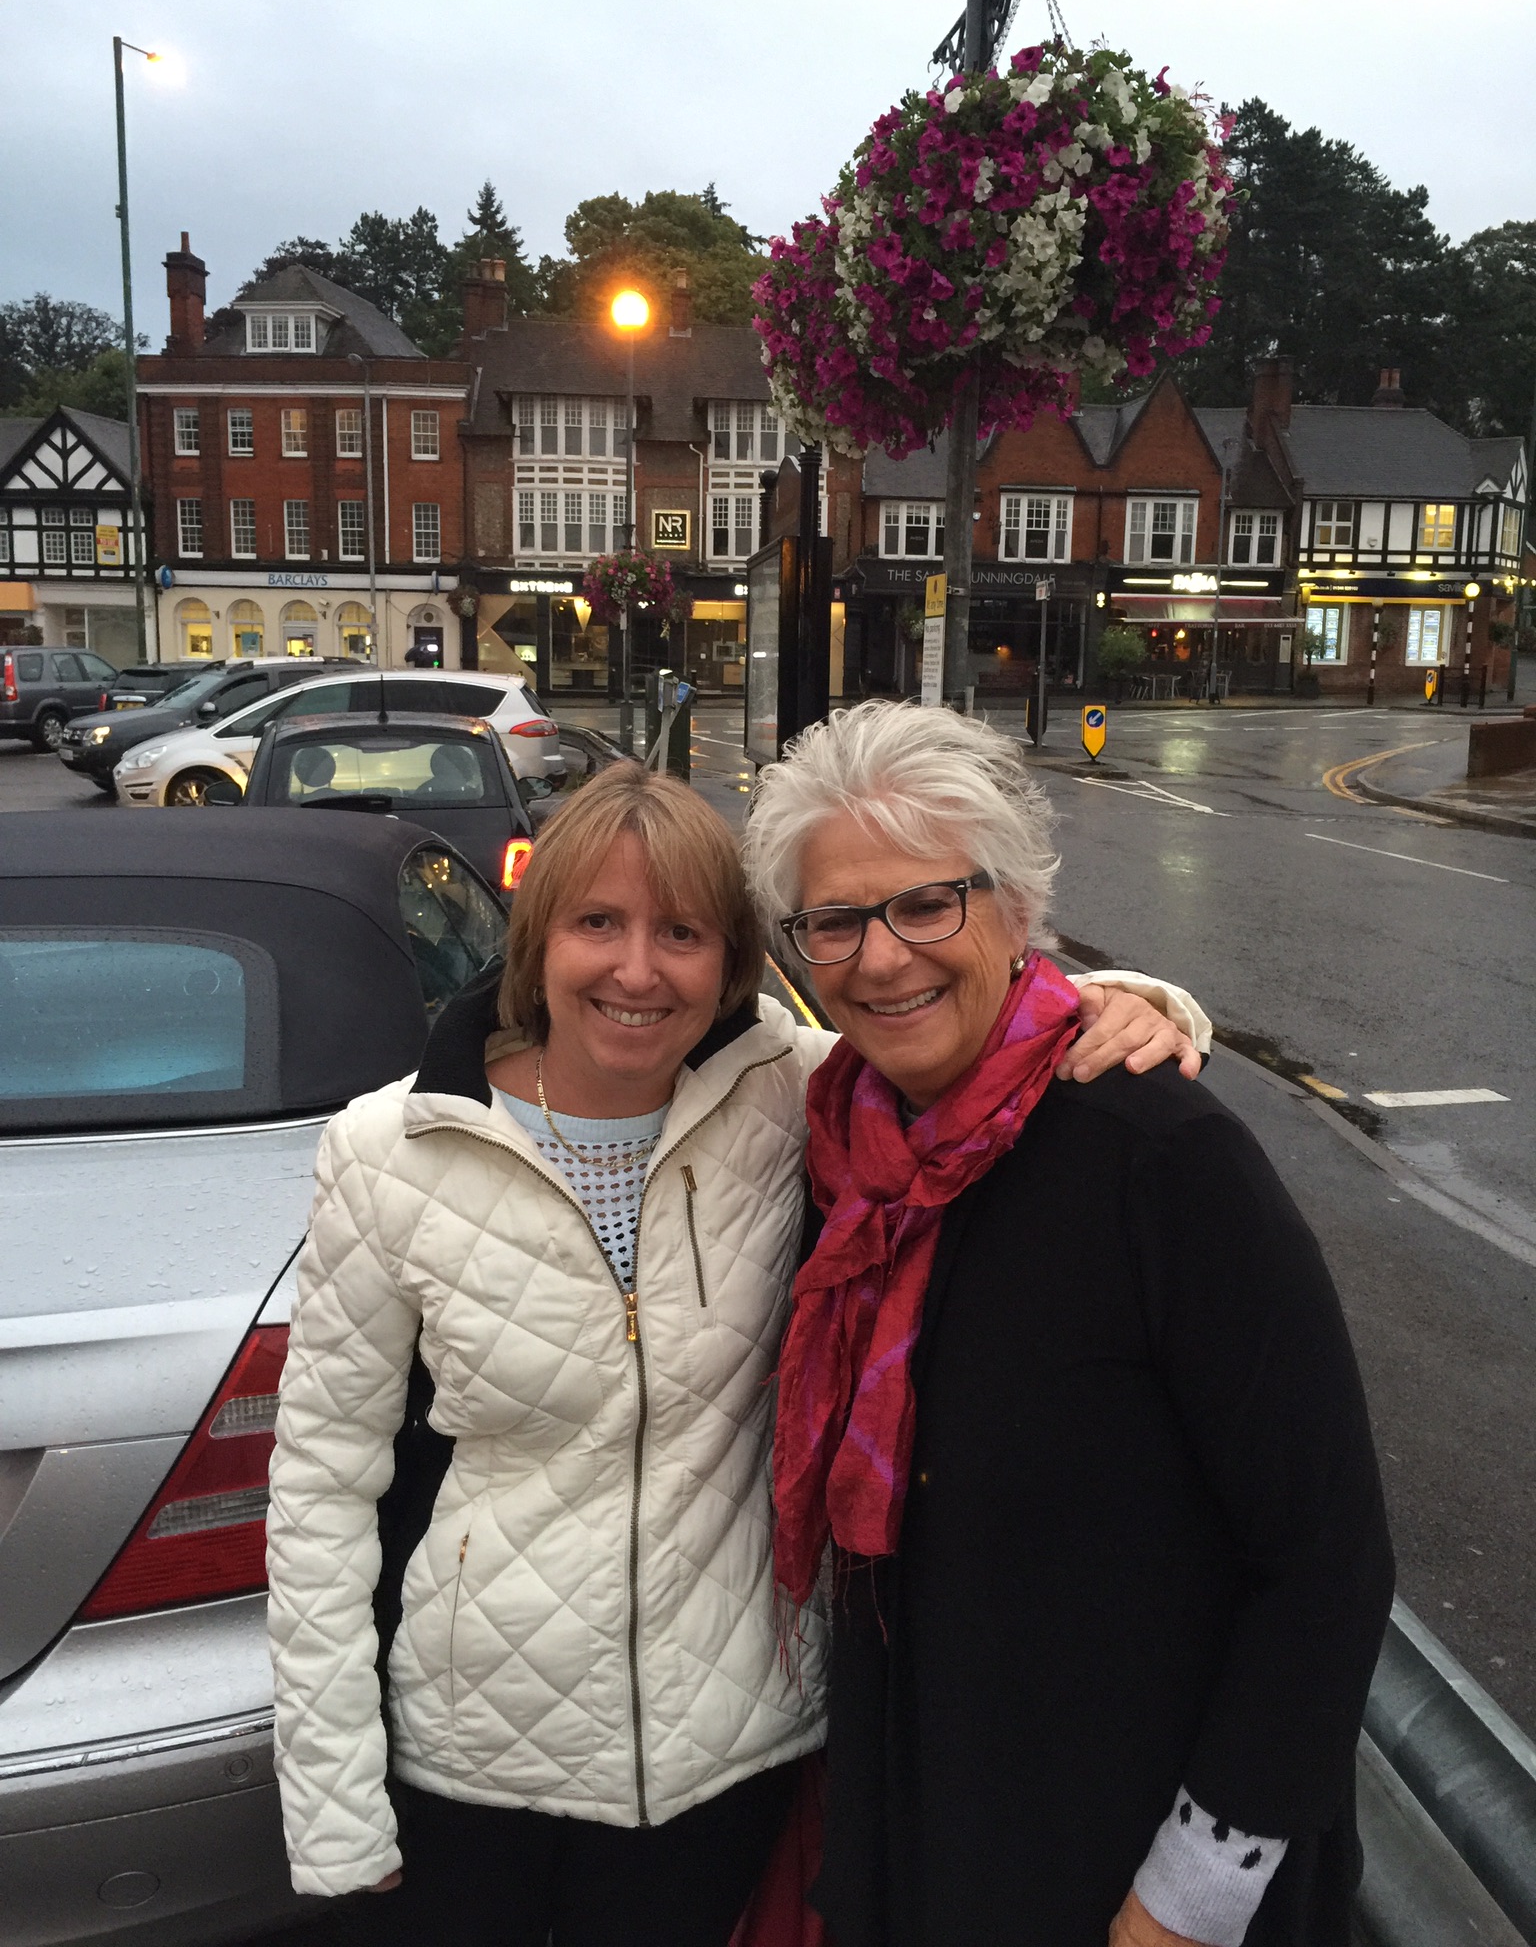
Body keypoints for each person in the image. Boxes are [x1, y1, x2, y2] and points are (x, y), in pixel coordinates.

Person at [266, 760, 1206, 1947]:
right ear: (537, 938)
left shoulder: (791, 1092)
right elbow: (321, 1487)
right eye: (597, 922)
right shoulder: (388, 1149)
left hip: (725, 1754)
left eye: (683, 932)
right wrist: (335, 1802)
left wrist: (1138, 1005)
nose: (637, 969)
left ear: (733, 964)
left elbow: (966, 1037)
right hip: (470, 1753)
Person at [742, 701, 1395, 1947]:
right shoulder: (843, 1161)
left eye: (928, 903)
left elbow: (1328, 1556)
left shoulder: (1161, 1158)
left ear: (1016, 909)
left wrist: (1189, 1894)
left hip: (1137, 1863)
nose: (881, 957)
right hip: (934, 1831)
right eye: (836, 919)